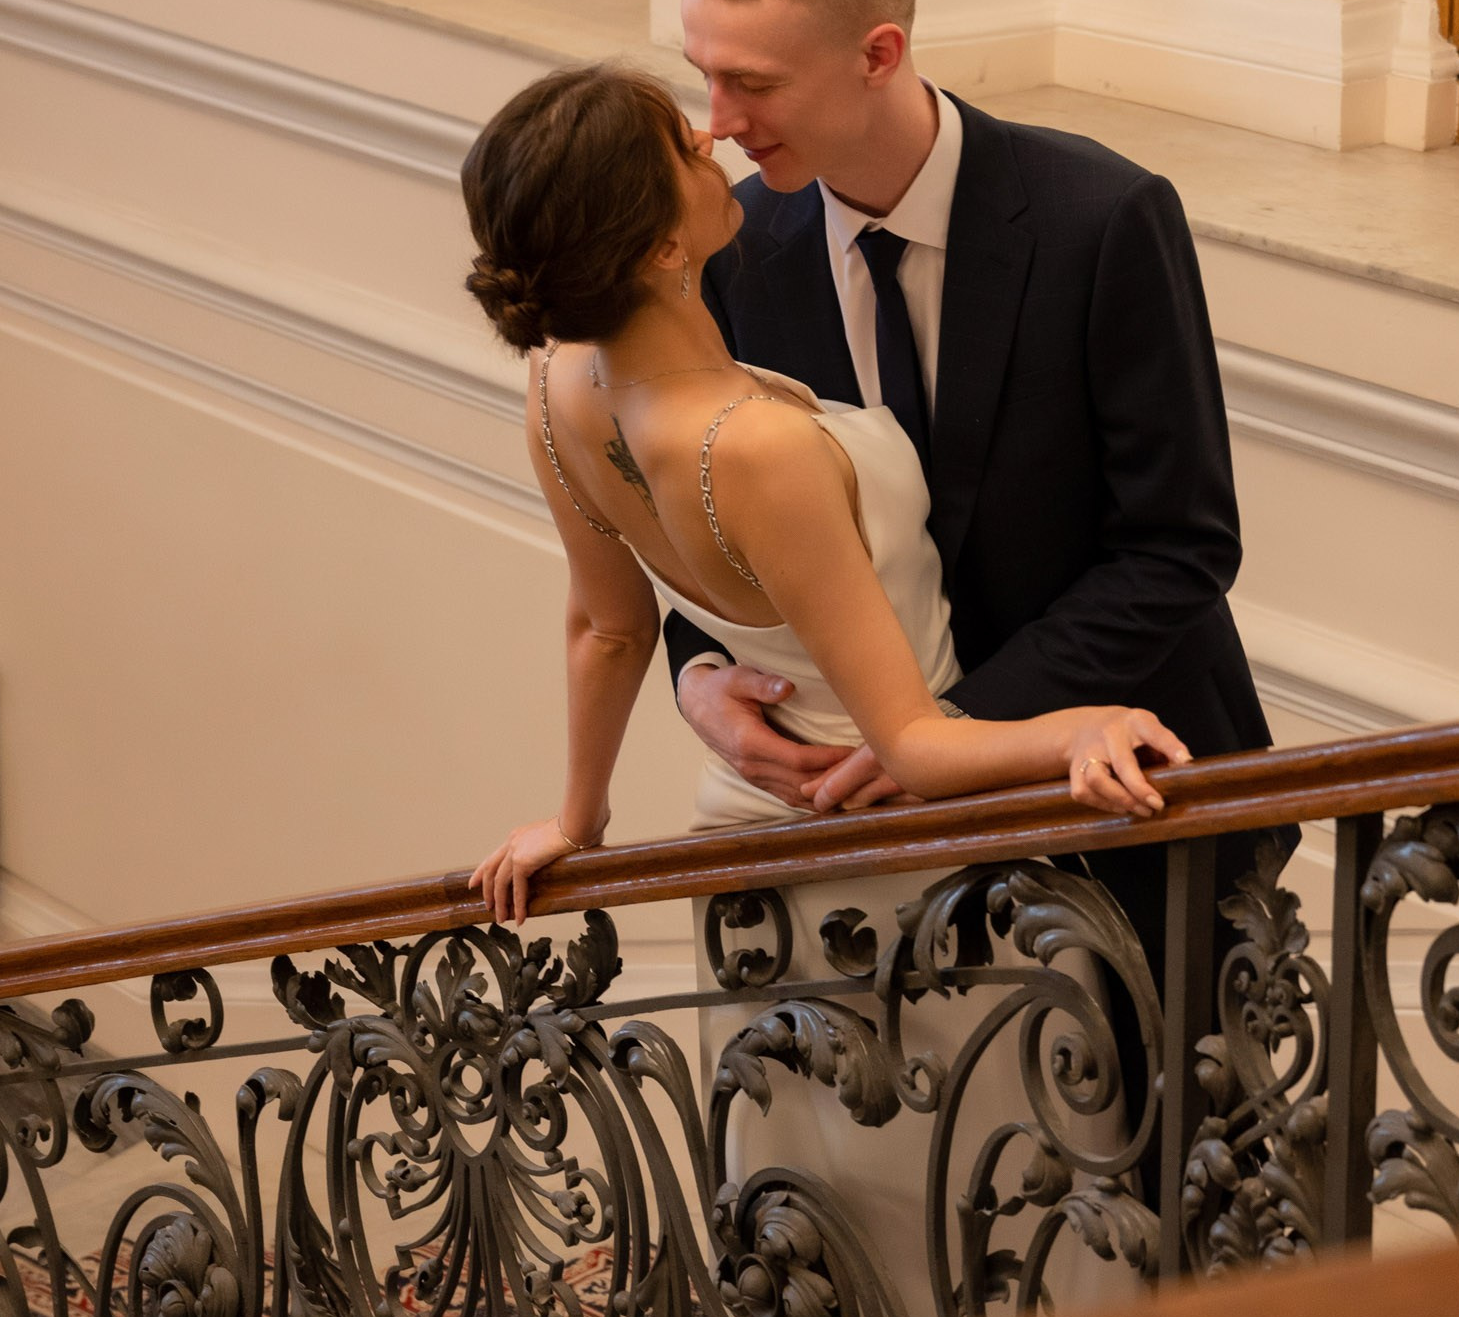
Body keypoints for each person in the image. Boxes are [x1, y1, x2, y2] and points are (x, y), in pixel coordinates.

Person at [663, 0, 1289, 1064]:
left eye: (750, 81)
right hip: (862, 838)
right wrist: (697, 673)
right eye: (702, 71)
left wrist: (945, 732)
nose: (713, 118)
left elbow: (1179, 544)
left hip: (1125, 814)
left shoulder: (1100, 216)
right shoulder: (733, 251)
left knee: (1183, 1187)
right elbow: (701, 500)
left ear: (877, 52)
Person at [460, 61, 1190, 927]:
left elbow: (610, 628)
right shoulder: (761, 447)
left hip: (742, 833)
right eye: (679, 146)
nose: (710, 134)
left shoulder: (556, 385)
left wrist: (578, 824)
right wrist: (1077, 728)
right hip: (898, 863)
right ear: (660, 249)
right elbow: (913, 746)